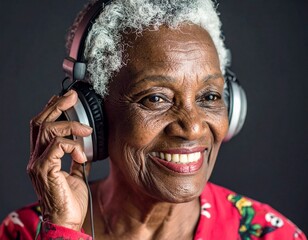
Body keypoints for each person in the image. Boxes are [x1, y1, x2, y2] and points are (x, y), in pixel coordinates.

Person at [0, 0, 306, 239]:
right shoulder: (25, 232)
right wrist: (63, 229)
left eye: (209, 96)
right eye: (155, 98)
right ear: (92, 116)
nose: (193, 127)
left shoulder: (271, 234)